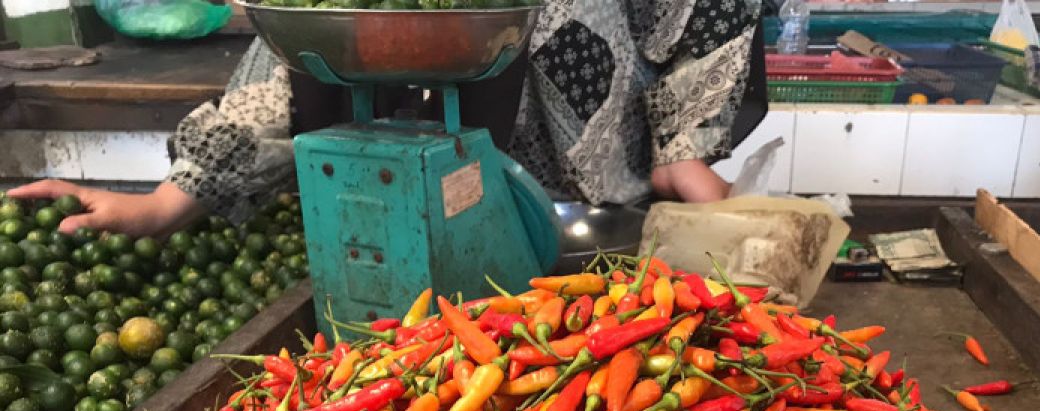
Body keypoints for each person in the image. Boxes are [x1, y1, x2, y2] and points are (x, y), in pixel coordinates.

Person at [10, 2, 765, 237]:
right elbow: (304, 50)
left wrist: (685, 147)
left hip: (597, 195)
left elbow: (704, 15)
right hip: (421, 182)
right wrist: (168, 201)